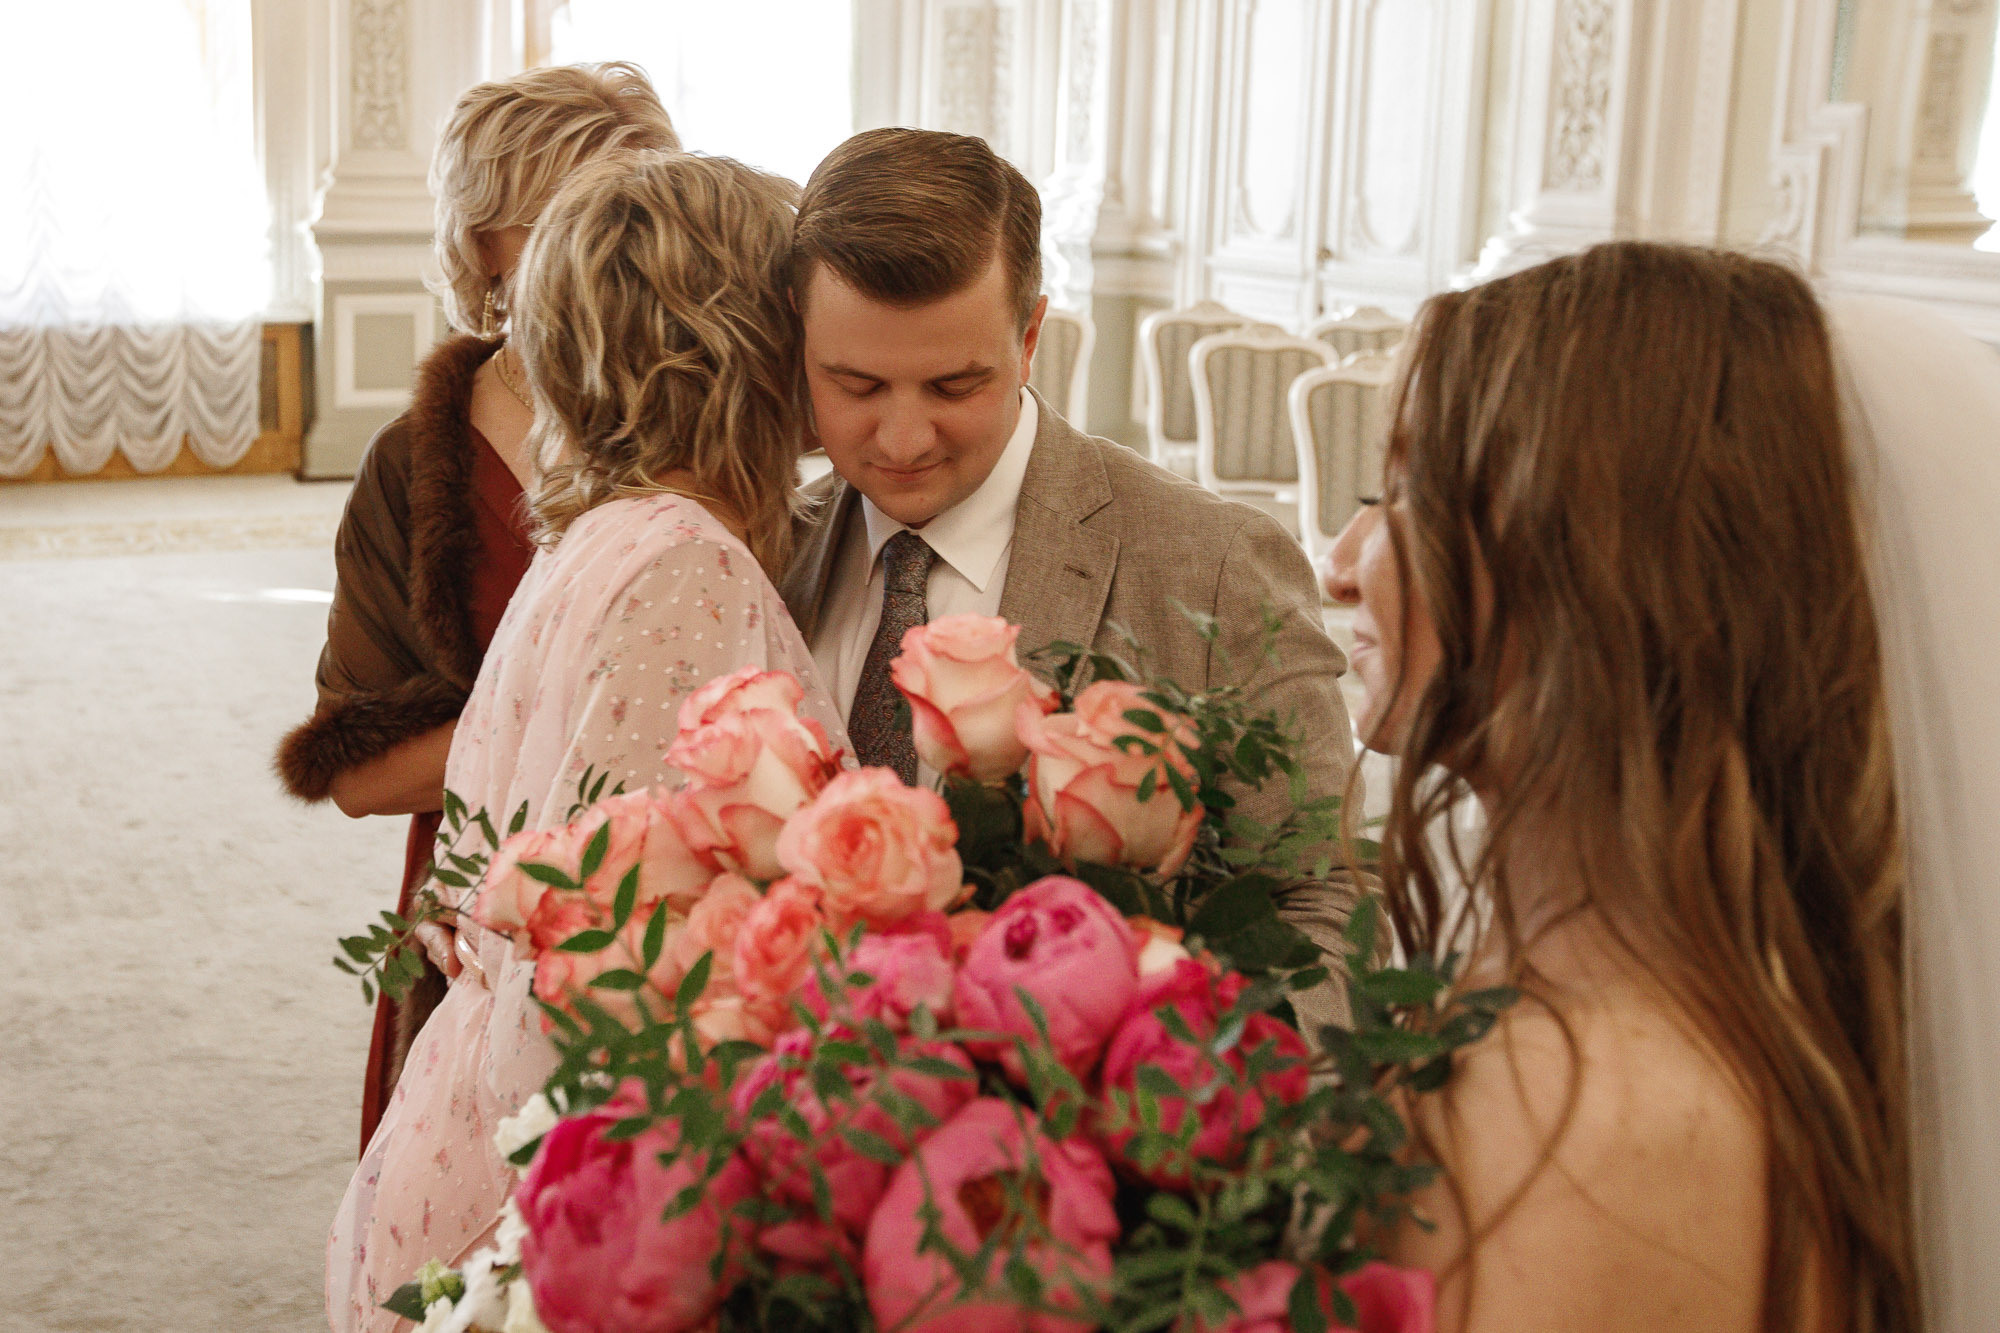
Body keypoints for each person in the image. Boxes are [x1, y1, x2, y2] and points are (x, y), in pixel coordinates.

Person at [1321, 243, 1919, 1331]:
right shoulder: (1661, 993)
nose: (1342, 558)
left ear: (1578, 564)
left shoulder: (1584, 1117)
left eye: (1401, 491)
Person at [326, 150, 845, 1333]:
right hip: (538, 1213)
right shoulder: (685, 568)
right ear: (747, 341)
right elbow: (613, 983)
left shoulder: (607, 534)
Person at [776, 128, 1359, 1029]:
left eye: (953, 386)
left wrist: (1190, 1103)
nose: (901, 439)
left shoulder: (1212, 565)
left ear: (1032, 336)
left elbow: (1325, 909)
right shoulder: (769, 554)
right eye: (854, 385)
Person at [275, 63, 678, 1154]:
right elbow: (355, 770)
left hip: (689, 906)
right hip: (485, 916)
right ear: (481, 249)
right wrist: (576, 742)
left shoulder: (711, 424)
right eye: (555, 222)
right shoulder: (415, 466)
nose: (598, 257)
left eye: (626, 220)